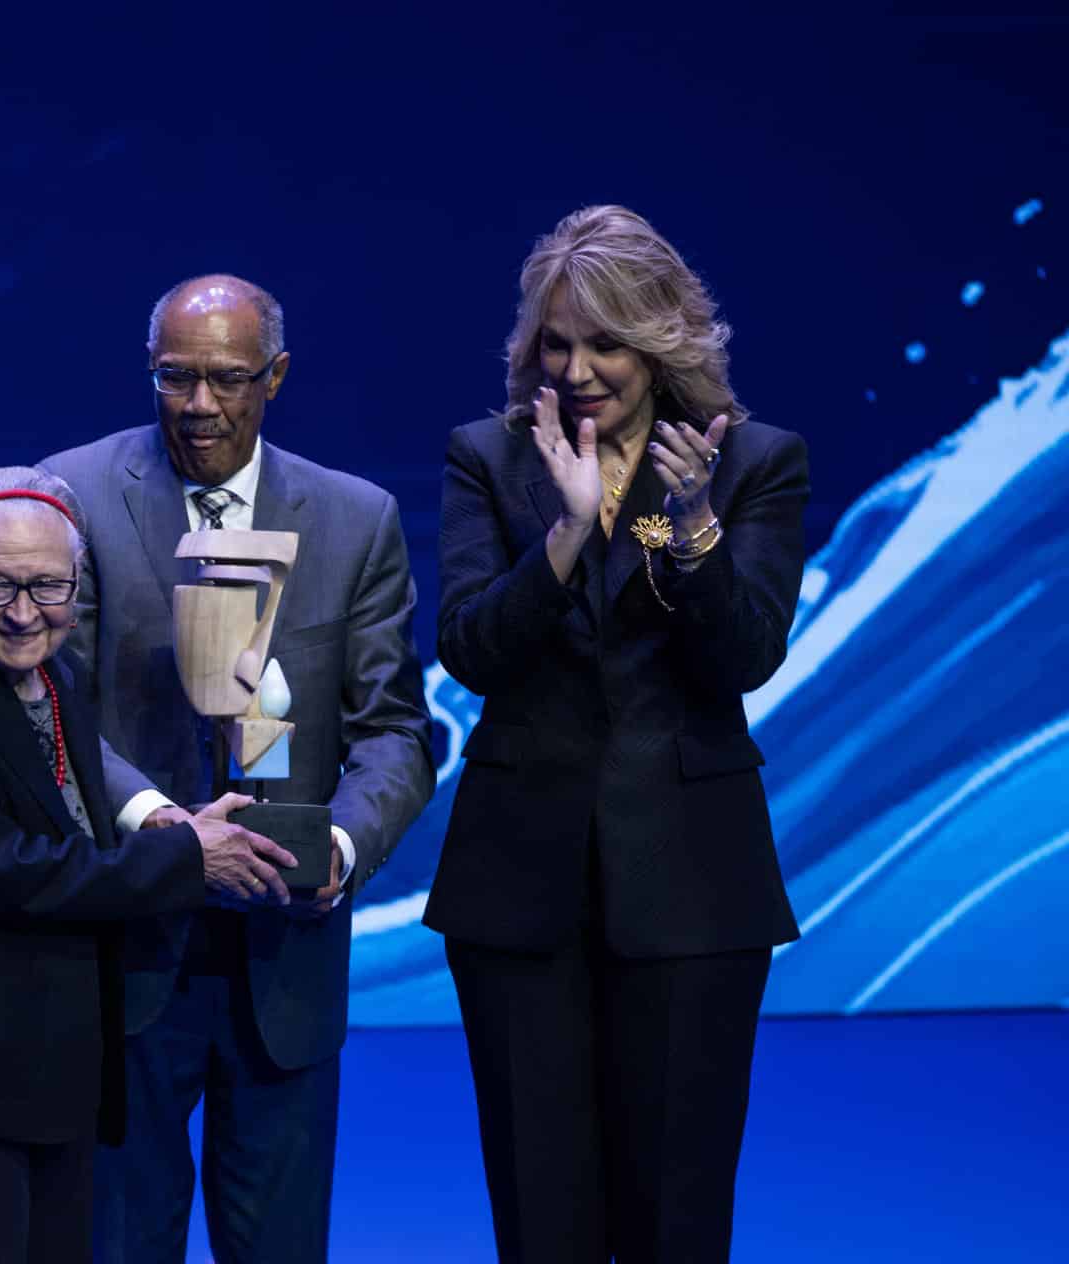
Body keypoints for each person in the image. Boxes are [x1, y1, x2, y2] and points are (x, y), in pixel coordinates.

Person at [424, 205, 810, 1262]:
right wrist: (562, 531)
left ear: (664, 339)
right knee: (540, 1211)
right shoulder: (489, 458)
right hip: (517, 886)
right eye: (559, 341)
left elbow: (743, 660)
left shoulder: (752, 463)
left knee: (673, 1212)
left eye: (607, 342)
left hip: (693, 886)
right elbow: (469, 650)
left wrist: (691, 533)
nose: (580, 368)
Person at [0, 466, 299, 1263]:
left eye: (49, 586)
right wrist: (185, 859)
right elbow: (7, 871)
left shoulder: (55, 671)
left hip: (38, 1073)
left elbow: (77, 821)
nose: (26, 614)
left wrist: (177, 825)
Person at [41, 277, 435, 1264]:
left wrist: (339, 845)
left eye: (227, 379)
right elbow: (54, 707)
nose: (200, 405)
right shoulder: (74, 496)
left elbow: (392, 729)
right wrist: (159, 828)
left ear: (277, 377)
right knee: (120, 1241)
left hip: (286, 951)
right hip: (131, 936)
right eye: (176, 378)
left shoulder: (355, 519)